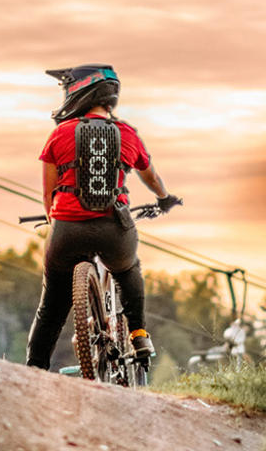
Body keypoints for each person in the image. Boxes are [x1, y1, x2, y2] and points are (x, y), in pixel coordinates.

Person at [25, 64, 182, 370]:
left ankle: (33, 370)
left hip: (67, 232)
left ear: (78, 92)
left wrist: (54, 221)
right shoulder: (127, 134)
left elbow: (49, 195)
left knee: (51, 307)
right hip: (115, 230)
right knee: (128, 270)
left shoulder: (60, 134)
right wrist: (164, 199)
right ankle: (139, 334)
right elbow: (152, 177)